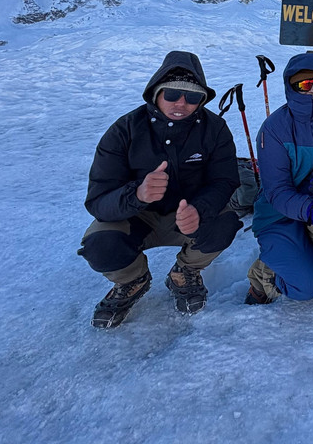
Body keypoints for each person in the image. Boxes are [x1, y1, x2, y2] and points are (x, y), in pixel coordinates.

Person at [79, 51, 243, 328]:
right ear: (156, 93)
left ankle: (185, 272)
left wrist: (199, 209)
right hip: (136, 217)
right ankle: (132, 280)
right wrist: (137, 195)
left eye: (192, 97)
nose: (181, 103)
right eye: (172, 94)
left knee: (224, 225)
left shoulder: (214, 129)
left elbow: (224, 180)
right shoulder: (124, 130)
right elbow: (98, 200)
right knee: (100, 244)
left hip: (187, 216)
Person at [244, 52, 313, 304]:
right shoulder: (274, 128)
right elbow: (277, 192)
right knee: (307, 286)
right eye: (305, 84)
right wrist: (312, 210)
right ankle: (265, 275)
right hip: (279, 216)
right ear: (291, 87)